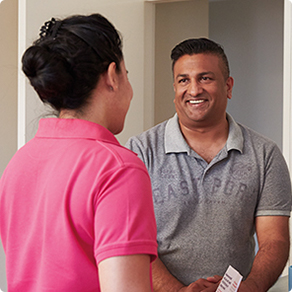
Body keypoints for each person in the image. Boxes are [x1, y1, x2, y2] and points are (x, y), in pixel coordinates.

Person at [0, 14, 158, 292]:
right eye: (127, 74)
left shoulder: (19, 163)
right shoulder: (118, 168)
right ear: (112, 76)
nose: (130, 90)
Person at [126, 38, 292, 292]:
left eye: (205, 78)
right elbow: (132, 240)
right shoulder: (140, 151)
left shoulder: (265, 154)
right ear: (174, 88)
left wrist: (250, 289)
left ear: (228, 86)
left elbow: (275, 240)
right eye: (184, 80)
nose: (193, 90)